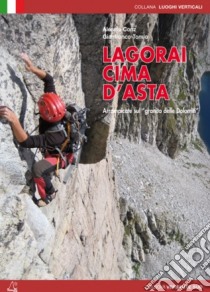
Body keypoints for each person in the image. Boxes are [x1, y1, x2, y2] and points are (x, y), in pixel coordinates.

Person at [0, 53, 74, 207]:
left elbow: (26, 141)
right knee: (43, 165)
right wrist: (32, 68)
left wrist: (13, 120)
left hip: (61, 156)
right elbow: (49, 79)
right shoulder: (54, 106)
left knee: (39, 169)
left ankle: (48, 195)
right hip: (57, 147)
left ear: (46, 113)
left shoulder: (55, 136)